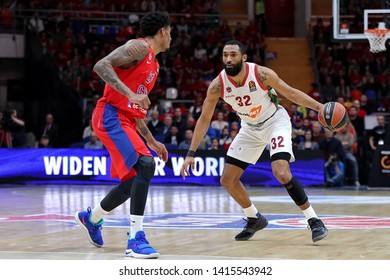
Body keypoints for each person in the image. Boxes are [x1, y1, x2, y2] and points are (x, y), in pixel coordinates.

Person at [180, 40, 328, 243]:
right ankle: (254, 218)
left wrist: (320, 108)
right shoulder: (217, 85)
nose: (228, 59)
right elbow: (204, 119)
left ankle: (314, 220)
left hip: (275, 121)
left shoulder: (261, 74)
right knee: (227, 180)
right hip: (249, 128)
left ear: (244, 57)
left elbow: (291, 93)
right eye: (225, 55)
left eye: (233, 55)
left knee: (281, 172)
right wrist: (191, 153)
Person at [74, 12, 170, 259]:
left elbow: (134, 110)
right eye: (170, 31)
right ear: (162, 31)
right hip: (109, 115)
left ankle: (92, 218)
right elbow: (101, 65)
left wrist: (151, 140)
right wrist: (129, 92)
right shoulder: (139, 46)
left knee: (131, 182)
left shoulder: (155, 65)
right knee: (146, 165)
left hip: (124, 118)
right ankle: (135, 239)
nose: (171, 37)